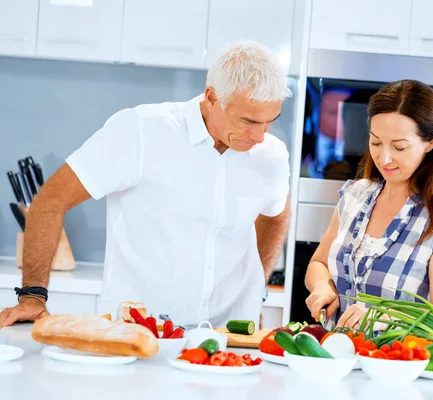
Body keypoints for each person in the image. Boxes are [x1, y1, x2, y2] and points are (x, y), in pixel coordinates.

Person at [0, 40, 292, 328]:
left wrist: (257, 290)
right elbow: (51, 199)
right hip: (139, 334)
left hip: (231, 338)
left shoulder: (271, 155)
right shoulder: (140, 130)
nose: (260, 136)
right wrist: (32, 296)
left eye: (269, 121)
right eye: (248, 121)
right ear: (212, 98)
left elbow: (275, 218)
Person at [304, 79, 433, 329]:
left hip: (400, 361)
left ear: (430, 142)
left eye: (399, 147)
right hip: (336, 355)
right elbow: (318, 263)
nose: (384, 158)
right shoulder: (355, 195)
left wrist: (378, 318)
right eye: (376, 142)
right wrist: (323, 286)